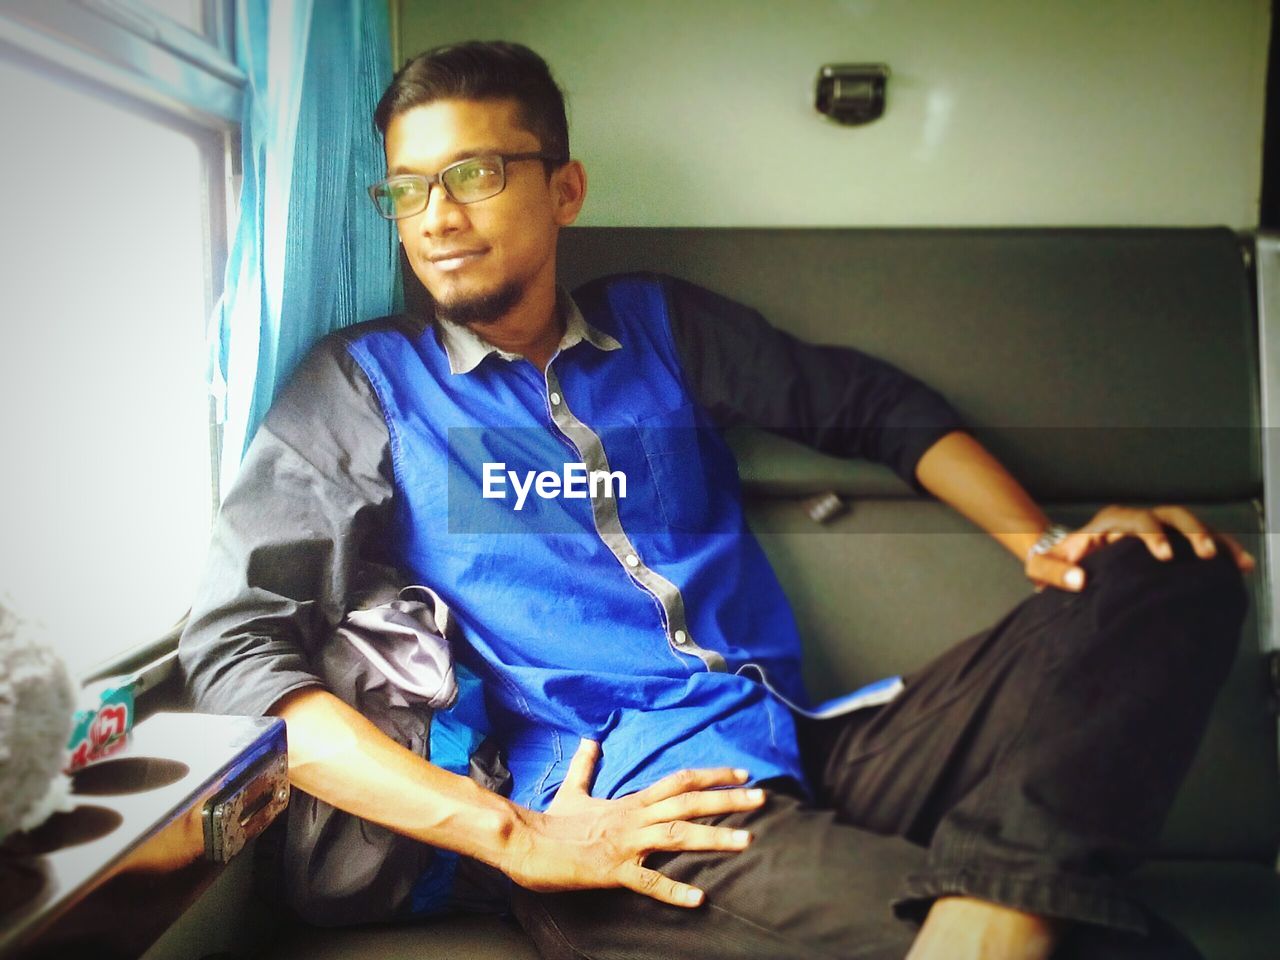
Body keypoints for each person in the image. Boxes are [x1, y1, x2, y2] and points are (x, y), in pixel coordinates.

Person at [179, 40, 1254, 960]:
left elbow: (869, 405)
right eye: (406, 188)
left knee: (1170, 570)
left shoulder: (658, 328)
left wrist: (1045, 544)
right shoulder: (365, 384)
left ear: (563, 190)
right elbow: (235, 654)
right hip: (640, 806)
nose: (435, 217)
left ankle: (999, 894)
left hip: (814, 740)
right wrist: (512, 836)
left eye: (472, 172)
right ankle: (1009, 898)